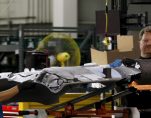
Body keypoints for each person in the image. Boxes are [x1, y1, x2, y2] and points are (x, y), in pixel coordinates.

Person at [125, 25, 151, 118]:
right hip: (134, 113)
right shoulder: (128, 66)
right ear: (140, 43)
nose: (149, 43)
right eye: (145, 40)